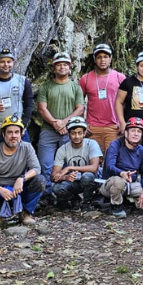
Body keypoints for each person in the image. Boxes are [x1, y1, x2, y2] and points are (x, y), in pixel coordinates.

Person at [0, 115, 46, 225]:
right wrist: (0, 190)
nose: (13, 136)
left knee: (40, 180)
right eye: (9, 132)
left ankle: (25, 213)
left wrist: (22, 178)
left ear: (22, 133)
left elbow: (36, 168)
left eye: (17, 132)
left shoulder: (27, 148)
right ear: (3, 134)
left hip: (19, 189)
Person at [36, 52, 85, 198]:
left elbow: (80, 108)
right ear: (54, 67)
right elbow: (41, 108)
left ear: (69, 67)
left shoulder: (75, 87)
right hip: (48, 130)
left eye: (65, 64)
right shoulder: (46, 87)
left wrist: (64, 122)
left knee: (67, 163)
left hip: (69, 132)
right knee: (45, 163)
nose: (62, 67)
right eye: (59, 64)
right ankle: (47, 195)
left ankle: (66, 194)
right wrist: (55, 123)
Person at [98, 117, 143, 218]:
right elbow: (109, 166)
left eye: (139, 131)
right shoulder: (115, 145)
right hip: (110, 183)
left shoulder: (141, 150)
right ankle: (116, 207)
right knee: (118, 182)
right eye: (133, 130)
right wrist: (122, 173)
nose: (136, 134)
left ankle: (133, 202)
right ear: (126, 133)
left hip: (130, 185)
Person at [0, 48, 35, 149]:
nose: (6, 64)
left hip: (17, 127)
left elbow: (29, 104)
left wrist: (23, 124)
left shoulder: (22, 81)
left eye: (9, 61)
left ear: (13, 62)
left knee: (24, 160)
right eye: (2, 62)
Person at [79, 43, 126, 157]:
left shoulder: (120, 77)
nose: (102, 60)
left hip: (114, 127)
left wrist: (123, 122)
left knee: (112, 159)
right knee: (95, 160)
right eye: (99, 57)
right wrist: (83, 123)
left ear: (110, 59)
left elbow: (126, 102)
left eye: (106, 57)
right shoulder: (85, 79)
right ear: (95, 59)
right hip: (93, 128)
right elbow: (79, 103)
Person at [51, 117, 102, 210]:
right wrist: (65, 177)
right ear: (69, 134)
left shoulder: (92, 144)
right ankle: (74, 198)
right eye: (73, 133)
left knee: (87, 176)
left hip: (92, 180)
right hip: (74, 181)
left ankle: (87, 202)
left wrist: (70, 168)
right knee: (57, 188)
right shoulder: (63, 149)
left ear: (84, 133)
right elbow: (54, 176)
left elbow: (94, 168)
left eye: (80, 133)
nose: (77, 136)